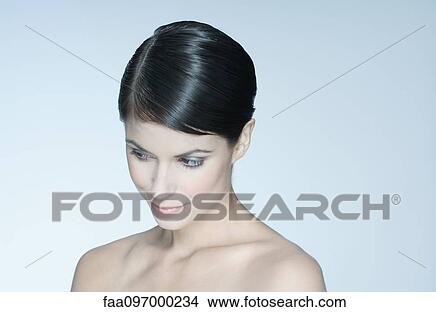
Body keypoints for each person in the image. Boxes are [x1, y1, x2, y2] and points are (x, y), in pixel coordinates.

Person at [71, 20, 326, 291]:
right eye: (141, 154)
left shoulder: (286, 278)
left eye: (189, 161)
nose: (160, 187)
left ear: (242, 140)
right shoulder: (97, 271)